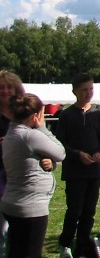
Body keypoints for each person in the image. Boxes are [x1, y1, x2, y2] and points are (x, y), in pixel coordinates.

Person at [0, 93, 65, 258]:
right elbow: (60, 152)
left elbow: (31, 160)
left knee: (15, 252)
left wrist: (50, 164)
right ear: (35, 115)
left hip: (13, 203)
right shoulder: (30, 135)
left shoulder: (12, 133)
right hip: (30, 208)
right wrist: (42, 127)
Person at [55, 73, 100, 258]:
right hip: (75, 172)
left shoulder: (98, 115)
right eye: (84, 89)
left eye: (91, 88)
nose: (88, 93)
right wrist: (78, 155)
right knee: (75, 210)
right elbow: (60, 143)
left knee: (89, 211)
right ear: (75, 91)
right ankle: (66, 244)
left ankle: (83, 247)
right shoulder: (66, 115)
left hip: (94, 171)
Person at [0, 71, 26, 256]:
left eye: (9, 87)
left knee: (20, 233)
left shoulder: (24, 113)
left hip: (22, 179)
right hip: (0, 178)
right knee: (1, 230)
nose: (5, 91)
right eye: (1, 87)